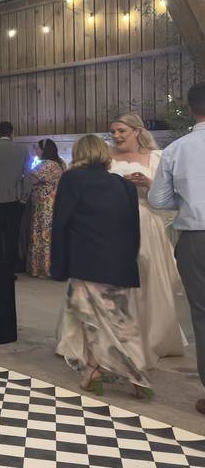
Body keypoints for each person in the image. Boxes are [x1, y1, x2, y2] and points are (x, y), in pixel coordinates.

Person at [52, 135, 150, 398]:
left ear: (78, 153)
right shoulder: (124, 186)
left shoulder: (72, 179)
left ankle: (133, 374)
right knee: (120, 319)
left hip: (86, 260)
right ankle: (97, 371)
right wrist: (130, 260)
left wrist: (58, 266)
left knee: (89, 317)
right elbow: (133, 229)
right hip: (120, 261)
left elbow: (61, 223)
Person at [108, 113, 186, 367]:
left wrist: (149, 183)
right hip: (116, 224)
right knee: (116, 280)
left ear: (137, 132)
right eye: (114, 132)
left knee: (149, 278)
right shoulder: (107, 159)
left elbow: (170, 195)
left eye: (122, 131)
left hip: (146, 222)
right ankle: (117, 335)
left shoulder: (156, 158)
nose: (117, 136)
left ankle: (154, 336)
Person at [150, 82, 205, 416]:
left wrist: (185, 202)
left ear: (189, 109)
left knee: (201, 315)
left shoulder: (178, 149)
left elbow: (158, 200)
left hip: (196, 239)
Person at [0, 121, 30, 273]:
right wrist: (24, 197)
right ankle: (11, 266)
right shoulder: (22, 149)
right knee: (12, 234)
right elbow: (27, 175)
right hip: (14, 198)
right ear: (12, 133)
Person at [26, 139, 64, 278]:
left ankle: (42, 268)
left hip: (44, 205)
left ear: (44, 150)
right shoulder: (60, 163)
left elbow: (32, 178)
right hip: (53, 202)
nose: (36, 151)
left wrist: (30, 161)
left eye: (37, 148)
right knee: (50, 234)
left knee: (42, 234)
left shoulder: (46, 164)